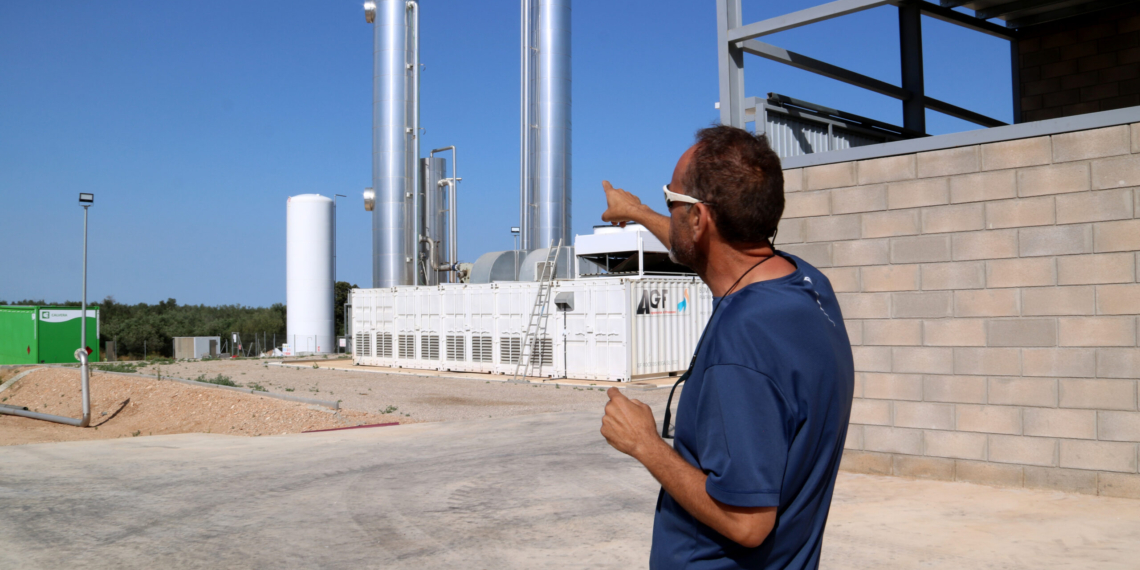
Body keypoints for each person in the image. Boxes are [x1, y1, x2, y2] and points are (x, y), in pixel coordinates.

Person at [599, 125, 854, 569]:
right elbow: (706, 251)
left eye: (671, 200)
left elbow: (747, 524)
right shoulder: (806, 284)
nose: (669, 209)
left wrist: (645, 444)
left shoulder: (743, 342)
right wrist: (638, 212)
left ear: (698, 218)